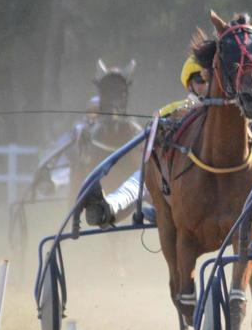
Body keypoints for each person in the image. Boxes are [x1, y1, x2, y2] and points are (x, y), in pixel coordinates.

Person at [84, 54, 213, 226]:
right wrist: (171, 121)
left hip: (209, 179)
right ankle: (107, 209)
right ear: (190, 85)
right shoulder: (174, 109)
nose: (208, 85)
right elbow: (150, 140)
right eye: (200, 79)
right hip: (177, 178)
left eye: (212, 79)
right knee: (143, 179)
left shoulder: (230, 110)